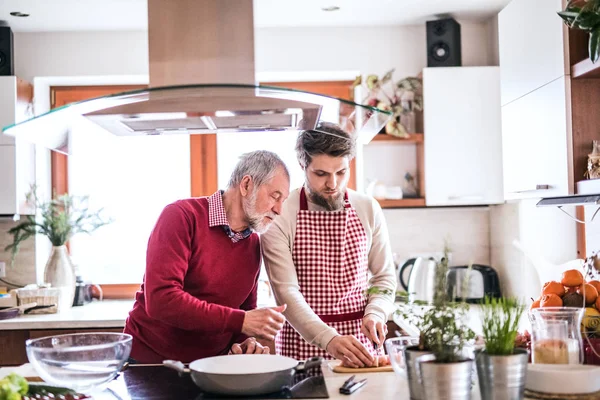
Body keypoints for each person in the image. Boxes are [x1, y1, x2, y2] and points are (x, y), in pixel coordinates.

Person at [124, 150, 291, 363]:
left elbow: (244, 312)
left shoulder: (253, 244)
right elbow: (161, 300)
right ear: (247, 185)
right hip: (149, 363)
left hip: (209, 367)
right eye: (275, 196)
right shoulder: (181, 216)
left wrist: (245, 342)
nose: (279, 210)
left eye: (282, 201)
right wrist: (241, 321)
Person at [262, 122, 397, 367]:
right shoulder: (282, 214)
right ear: (303, 166)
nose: (333, 184)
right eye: (321, 174)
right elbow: (287, 293)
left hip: (360, 345)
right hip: (302, 344)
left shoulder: (368, 208)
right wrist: (329, 339)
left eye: (341, 172)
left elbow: (384, 278)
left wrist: (376, 311)